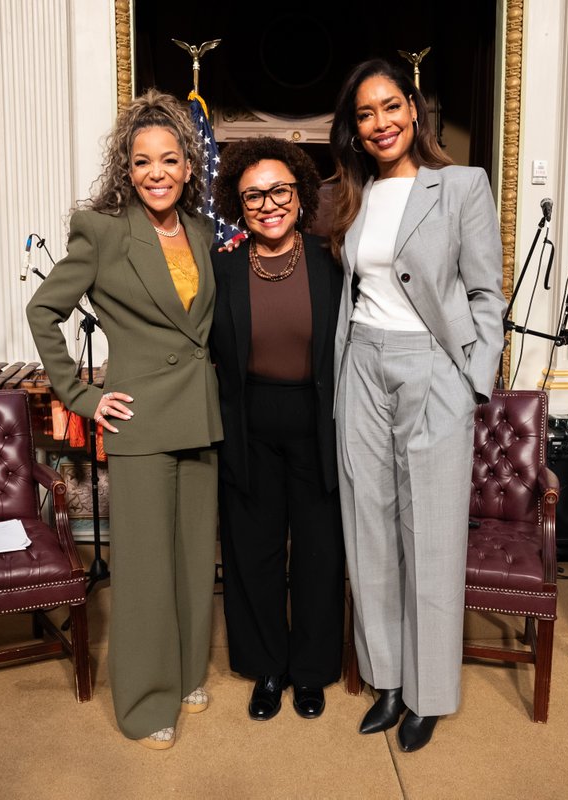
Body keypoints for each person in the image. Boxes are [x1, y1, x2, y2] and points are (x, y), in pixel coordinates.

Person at [26, 89, 222, 751]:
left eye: (170, 160)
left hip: (200, 415)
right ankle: (143, 702)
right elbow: (43, 313)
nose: (158, 172)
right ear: (127, 169)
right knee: (143, 569)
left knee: (195, 559)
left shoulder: (198, 231)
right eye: (143, 162)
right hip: (141, 422)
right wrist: (81, 396)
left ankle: (188, 671)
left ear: (190, 167)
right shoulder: (102, 232)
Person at [328, 58, 508, 752]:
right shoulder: (350, 195)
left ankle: (430, 694)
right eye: (366, 114)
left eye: (391, 106)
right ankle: (390, 682)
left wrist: (472, 382)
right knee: (368, 528)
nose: (381, 123)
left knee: (430, 534)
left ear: (414, 108)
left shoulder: (462, 185)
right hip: (363, 366)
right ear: (355, 127)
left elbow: (487, 294)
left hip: (434, 365)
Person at [209, 138, 345, 722]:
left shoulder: (333, 260)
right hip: (247, 427)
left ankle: (311, 671)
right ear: (239, 205)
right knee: (252, 552)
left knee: (319, 551)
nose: (268, 204)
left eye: (279, 191)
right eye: (253, 196)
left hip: (321, 425)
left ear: (300, 193)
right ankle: (267, 668)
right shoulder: (222, 268)